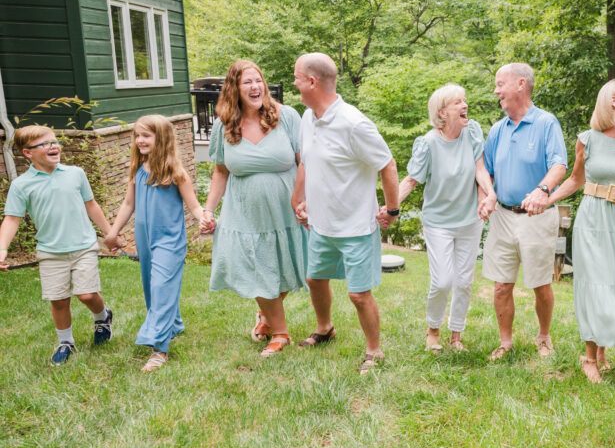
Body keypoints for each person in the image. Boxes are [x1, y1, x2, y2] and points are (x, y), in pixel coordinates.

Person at [539, 77, 615, 382]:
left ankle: (602, 351)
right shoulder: (587, 139)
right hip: (592, 219)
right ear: (613, 101)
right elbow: (576, 180)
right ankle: (589, 358)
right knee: (598, 283)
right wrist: (546, 199)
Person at [291, 52, 400, 373]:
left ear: (312, 82)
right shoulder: (307, 117)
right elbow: (307, 162)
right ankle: (325, 329)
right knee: (314, 278)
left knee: (358, 294)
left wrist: (392, 209)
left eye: (298, 77)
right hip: (320, 225)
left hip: (355, 227)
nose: (295, 82)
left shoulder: (354, 123)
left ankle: (374, 351)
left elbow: (387, 164)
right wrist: (299, 199)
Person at [203, 60, 307, 358]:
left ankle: (265, 315)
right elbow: (221, 172)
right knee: (258, 267)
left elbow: (305, 162)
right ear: (234, 88)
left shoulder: (286, 117)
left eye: (258, 80)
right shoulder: (224, 126)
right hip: (246, 212)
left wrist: (305, 200)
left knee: (290, 266)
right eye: (247, 82)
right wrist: (208, 210)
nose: (255, 87)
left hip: (287, 209)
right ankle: (280, 332)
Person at [392, 83, 497, 353]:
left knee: (464, 281)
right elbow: (412, 180)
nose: (465, 106)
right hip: (438, 222)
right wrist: (390, 207)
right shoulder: (427, 143)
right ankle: (433, 330)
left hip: (469, 221)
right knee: (442, 281)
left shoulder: (471, 132)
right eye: (457, 103)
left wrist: (489, 193)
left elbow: (480, 169)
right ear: (442, 112)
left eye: (465, 100)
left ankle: (456, 336)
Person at [0, 126, 115, 365]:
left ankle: (103, 318)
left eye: (55, 141)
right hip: (50, 251)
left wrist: (109, 234)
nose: (53, 146)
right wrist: (2, 249)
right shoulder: (22, 185)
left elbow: (91, 204)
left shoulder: (75, 173)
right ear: (27, 153)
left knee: (86, 294)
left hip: (83, 245)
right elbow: (12, 218)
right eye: (44, 144)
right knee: (59, 299)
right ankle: (66, 342)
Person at [105, 116, 208, 371]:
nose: (139, 140)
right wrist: (113, 233)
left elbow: (193, 205)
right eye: (137, 135)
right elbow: (129, 204)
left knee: (162, 286)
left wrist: (204, 219)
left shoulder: (176, 173)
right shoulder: (138, 170)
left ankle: (159, 348)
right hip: (145, 240)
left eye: (146, 135)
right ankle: (173, 325)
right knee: (152, 287)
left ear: (161, 138)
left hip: (170, 240)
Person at [482, 62, 567, 361]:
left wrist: (542, 190)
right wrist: (488, 196)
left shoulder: (546, 123)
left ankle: (544, 337)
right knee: (501, 285)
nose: (496, 90)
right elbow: (486, 171)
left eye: (499, 83)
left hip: (537, 217)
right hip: (503, 217)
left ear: (520, 84)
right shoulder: (496, 130)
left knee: (540, 284)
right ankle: (505, 342)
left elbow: (559, 164)